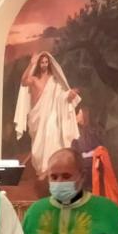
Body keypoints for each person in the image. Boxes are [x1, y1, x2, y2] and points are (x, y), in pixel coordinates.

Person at [13, 52, 80, 183]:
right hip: (37, 116)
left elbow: (61, 96)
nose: (44, 64)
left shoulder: (54, 80)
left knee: (51, 132)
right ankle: (41, 169)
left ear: (49, 63)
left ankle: (50, 167)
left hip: (51, 114)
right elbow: (24, 81)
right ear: (39, 64)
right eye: (42, 62)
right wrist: (31, 64)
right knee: (39, 145)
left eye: (46, 62)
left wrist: (69, 96)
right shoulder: (34, 79)